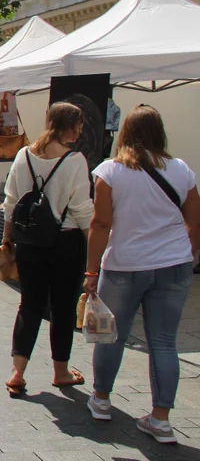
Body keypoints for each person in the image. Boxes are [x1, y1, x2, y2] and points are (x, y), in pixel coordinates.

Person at [83, 105, 200, 440]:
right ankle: (160, 418)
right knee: (164, 342)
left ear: (125, 132)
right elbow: (196, 217)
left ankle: (102, 400)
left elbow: (101, 223)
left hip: (124, 264)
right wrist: (187, 252)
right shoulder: (180, 169)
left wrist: (91, 271)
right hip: (173, 265)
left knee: (110, 334)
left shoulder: (110, 171)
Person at [2, 102, 93, 398]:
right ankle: (60, 371)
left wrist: (7, 238)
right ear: (69, 126)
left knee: (29, 305)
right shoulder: (74, 160)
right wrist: (96, 247)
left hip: (28, 241)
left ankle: (17, 372)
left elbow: (12, 202)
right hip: (65, 241)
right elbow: (81, 209)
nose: (79, 131)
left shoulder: (23, 155)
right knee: (63, 308)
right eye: (78, 125)